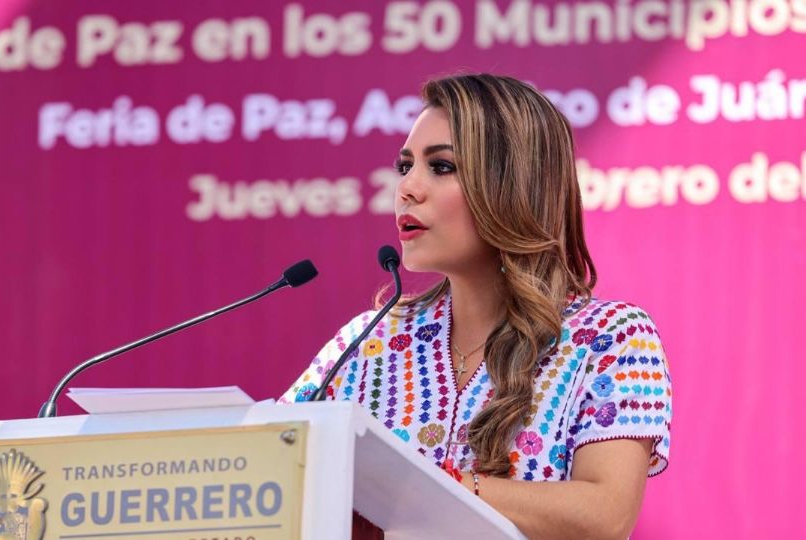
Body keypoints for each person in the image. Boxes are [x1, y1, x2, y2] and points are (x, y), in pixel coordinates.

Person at [280, 73, 672, 539]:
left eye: (441, 167)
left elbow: (604, 516)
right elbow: (272, 466)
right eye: (405, 166)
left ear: (512, 185)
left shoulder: (611, 336)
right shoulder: (370, 341)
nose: (407, 188)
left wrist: (432, 488)